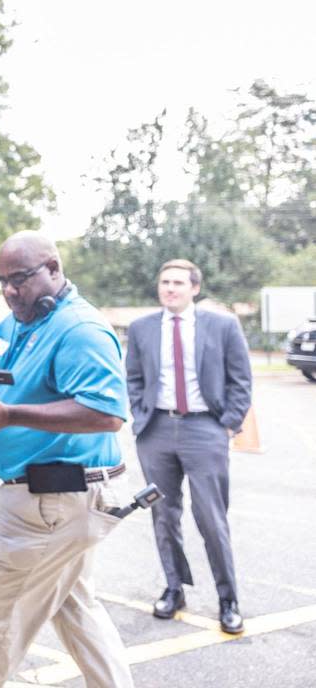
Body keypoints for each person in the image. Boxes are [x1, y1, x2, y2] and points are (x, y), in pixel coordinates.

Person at [0, 231, 134, 688]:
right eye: (2, 282)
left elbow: (105, 413)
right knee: (75, 609)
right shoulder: (15, 323)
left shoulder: (80, 330)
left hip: (52, 504)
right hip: (52, 502)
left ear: (53, 269)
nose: (11, 291)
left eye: (19, 279)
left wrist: (11, 414)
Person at [126, 259, 252, 634]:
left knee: (212, 519)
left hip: (205, 429)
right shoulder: (142, 328)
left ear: (194, 288)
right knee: (163, 516)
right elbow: (133, 377)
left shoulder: (223, 326)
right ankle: (174, 587)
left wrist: (227, 425)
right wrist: (140, 416)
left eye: (178, 282)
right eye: (164, 282)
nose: (170, 288)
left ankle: (228, 599)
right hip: (157, 430)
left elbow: (241, 380)